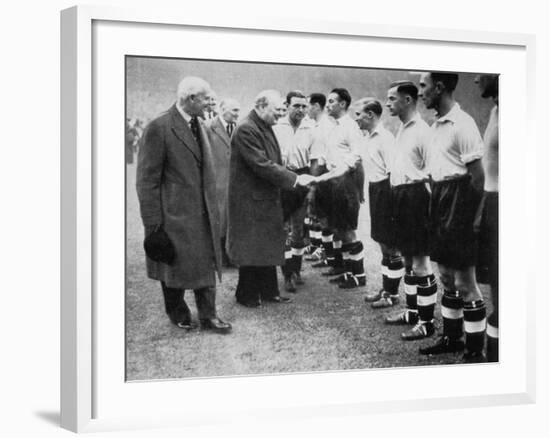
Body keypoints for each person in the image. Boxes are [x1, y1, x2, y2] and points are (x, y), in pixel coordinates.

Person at [136, 76, 232, 334]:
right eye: (206, 99)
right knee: (172, 266)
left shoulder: (198, 123)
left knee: (205, 264)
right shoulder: (159, 126)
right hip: (173, 216)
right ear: (191, 99)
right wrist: (154, 225)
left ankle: (209, 315)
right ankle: (177, 312)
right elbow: (147, 181)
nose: (210, 103)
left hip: (202, 214)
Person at [417, 72, 486, 361]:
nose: (422, 92)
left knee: (465, 281)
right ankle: (452, 338)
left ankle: (474, 351)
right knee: (445, 275)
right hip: (441, 200)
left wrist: (474, 216)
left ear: (440, 87)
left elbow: (478, 178)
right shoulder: (435, 126)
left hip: (460, 201)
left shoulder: (463, 123)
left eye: (424, 86)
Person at [227, 89, 314, 307]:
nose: (280, 115)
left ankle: (268, 291)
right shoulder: (246, 128)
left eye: (283, 110)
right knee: (252, 247)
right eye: (277, 111)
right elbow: (261, 164)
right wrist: (294, 179)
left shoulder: (263, 125)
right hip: (251, 200)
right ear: (262, 106)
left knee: (266, 244)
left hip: (264, 196)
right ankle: (245, 294)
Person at [382, 81, 437, 341]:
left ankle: (427, 323)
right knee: (407, 260)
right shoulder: (402, 128)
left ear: (407, 100)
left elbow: (436, 171)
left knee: (420, 262)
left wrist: (421, 187)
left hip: (416, 198)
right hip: (399, 197)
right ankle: (413, 312)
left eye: (392, 98)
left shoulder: (423, 131)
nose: (387, 103)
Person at [354, 98, 405, 308]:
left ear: (371, 115)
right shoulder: (367, 138)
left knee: (391, 246)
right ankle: (387, 289)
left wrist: (392, 203)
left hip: (388, 190)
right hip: (376, 189)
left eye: (359, 114)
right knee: (383, 244)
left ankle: (392, 295)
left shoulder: (385, 138)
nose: (356, 118)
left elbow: (394, 172)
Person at [314, 88, 366, 289]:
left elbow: (356, 155)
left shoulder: (350, 127)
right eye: (327, 101)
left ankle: (359, 274)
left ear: (343, 104)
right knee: (337, 228)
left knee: (348, 230)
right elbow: (327, 155)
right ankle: (346, 270)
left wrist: (343, 174)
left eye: (332, 102)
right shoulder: (332, 126)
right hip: (332, 181)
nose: (327, 105)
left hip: (345, 181)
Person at [273, 91, 317, 292]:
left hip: (303, 177)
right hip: (282, 177)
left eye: (303, 106)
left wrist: (312, 187)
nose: (300, 110)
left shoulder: (311, 127)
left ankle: (296, 269)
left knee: (298, 230)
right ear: (287, 105)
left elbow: (315, 159)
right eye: (296, 106)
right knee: (282, 230)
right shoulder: (276, 126)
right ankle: (287, 273)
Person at [473, 73, 498, 362]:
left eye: (483, 73)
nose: (477, 78)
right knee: (496, 289)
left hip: (507, 204)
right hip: (491, 203)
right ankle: (493, 359)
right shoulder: (495, 109)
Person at [206, 97, 241, 267]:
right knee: (217, 220)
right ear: (223, 109)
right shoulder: (208, 127)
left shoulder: (239, 128)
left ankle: (229, 255)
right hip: (215, 182)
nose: (237, 114)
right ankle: (216, 257)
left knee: (231, 220)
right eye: (234, 110)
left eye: (238, 111)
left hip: (233, 182)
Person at [305, 93, 335, 264]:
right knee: (318, 214)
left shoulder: (325, 127)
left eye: (308, 105)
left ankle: (327, 252)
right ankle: (323, 250)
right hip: (318, 171)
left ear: (316, 106)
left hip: (323, 173)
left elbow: (320, 157)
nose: (307, 109)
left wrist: (314, 182)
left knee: (324, 216)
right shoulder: (316, 125)